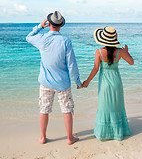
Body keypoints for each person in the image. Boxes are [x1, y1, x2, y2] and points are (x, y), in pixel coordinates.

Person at [26, 11, 82, 145]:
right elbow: (72, 64)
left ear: (49, 24)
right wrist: (78, 81)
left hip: (45, 82)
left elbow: (29, 37)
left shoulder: (42, 39)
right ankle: (70, 138)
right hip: (62, 83)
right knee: (67, 110)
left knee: (44, 109)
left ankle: (43, 137)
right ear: (61, 25)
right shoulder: (65, 41)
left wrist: (40, 26)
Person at [82, 26, 134, 141]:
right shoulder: (120, 52)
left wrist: (87, 82)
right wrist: (127, 52)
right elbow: (131, 62)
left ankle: (105, 133)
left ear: (103, 39)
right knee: (117, 106)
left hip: (104, 83)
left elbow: (95, 69)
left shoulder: (99, 52)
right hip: (116, 82)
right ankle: (118, 133)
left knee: (104, 107)